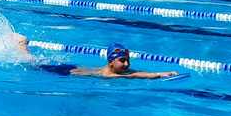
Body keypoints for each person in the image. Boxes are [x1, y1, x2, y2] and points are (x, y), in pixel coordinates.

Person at [14, 37, 179, 79]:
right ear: (110, 61)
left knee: (36, 62)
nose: (127, 64)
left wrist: (158, 72)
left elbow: (136, 72)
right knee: (31, 63)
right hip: (64, 72)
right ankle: (22, 46)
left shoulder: (117, 70)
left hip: (73, 68)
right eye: (122, 60)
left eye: (128, 60)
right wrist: (159, 74)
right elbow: (135, 75)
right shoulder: (108, 74)